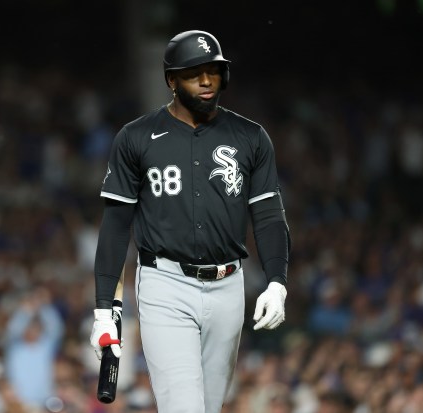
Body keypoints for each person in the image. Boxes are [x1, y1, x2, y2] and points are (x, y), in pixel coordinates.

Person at [90, 30, 291, 413]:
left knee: (209, 407)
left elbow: (267, 214)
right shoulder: (137, 137)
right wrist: (104, 309)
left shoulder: (250, 137)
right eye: (193, 73)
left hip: (229, 285)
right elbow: (116, 226)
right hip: (165, 284)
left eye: (213, 71)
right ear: (171, 80)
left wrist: (277, 281)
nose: (205, 81)